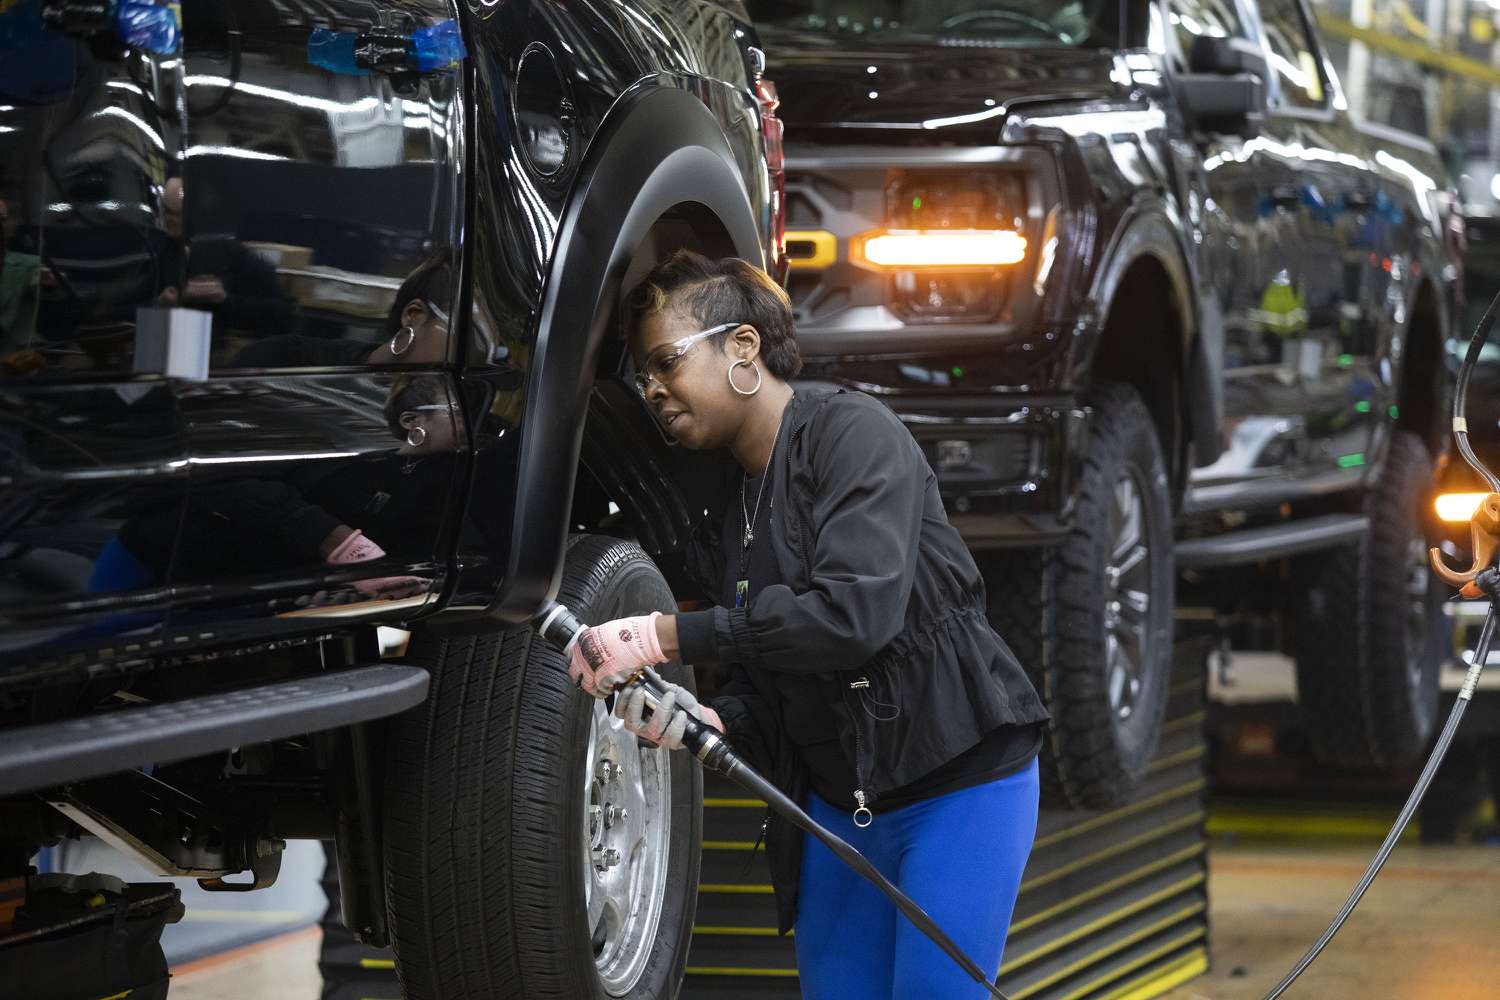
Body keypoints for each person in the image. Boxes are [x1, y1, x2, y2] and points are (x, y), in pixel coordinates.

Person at [568, 250, 1049, 1000]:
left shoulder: (851, 433)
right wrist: (709, 719)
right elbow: (780, 679)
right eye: (643, 375)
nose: (654, 389)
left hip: (958, 783)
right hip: (842, 805)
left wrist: (665, 637)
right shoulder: (734, 504)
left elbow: (851, 618)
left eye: (666, 361)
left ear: (743, 347)